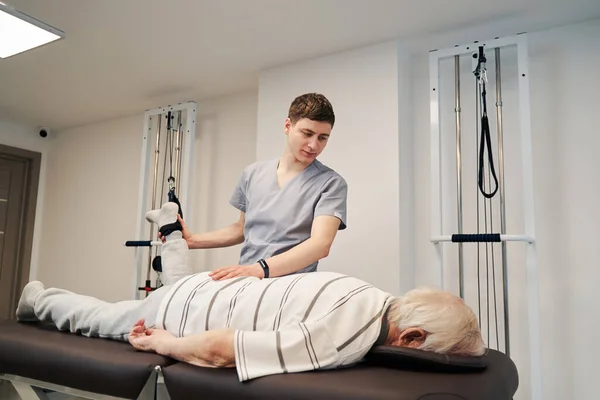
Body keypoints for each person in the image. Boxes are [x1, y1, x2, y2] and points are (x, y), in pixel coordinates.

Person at [16, 202, 485, 382]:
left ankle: (169, 227)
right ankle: (38, 298)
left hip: (215, 288)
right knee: (101, 319)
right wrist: (161, 342)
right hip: (185, 313)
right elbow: (224, 350)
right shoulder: (350, 334)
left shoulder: (370, 292)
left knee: (177, 284)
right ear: (413, 338)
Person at [161, 93, 348, 281]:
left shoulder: (330, 183)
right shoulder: (253, 174)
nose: (313, 145)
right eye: (307, 134)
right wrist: (192, 240)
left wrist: (260, 269)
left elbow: (320, 245)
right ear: (288, 126)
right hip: (246, 281)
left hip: (291, 285)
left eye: (323, 138)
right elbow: (241, 229)